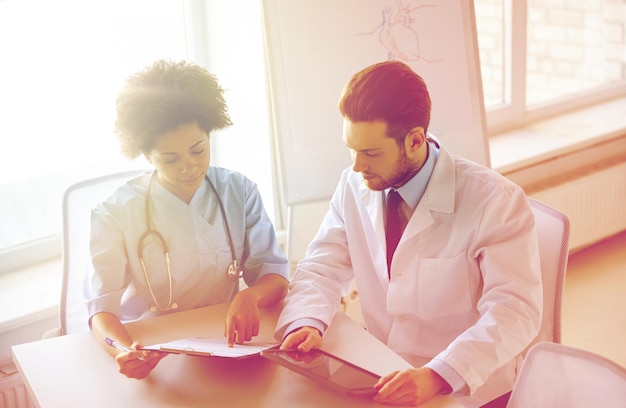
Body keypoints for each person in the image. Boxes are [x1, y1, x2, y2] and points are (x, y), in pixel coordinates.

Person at [275, 60, 542, 407]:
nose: (357, 166)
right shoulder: (354, 185)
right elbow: (321, 267)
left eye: (370, 152)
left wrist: (439, 374)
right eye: (351, 149)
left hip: (466, 388)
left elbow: (514, 311)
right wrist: (306, 321)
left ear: (415, 140)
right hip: (381, 374)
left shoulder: (495, 201)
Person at [84, 60, 289, 380]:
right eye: (170, 158)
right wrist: (123, 350)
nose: (189, 167)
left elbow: (274, 276)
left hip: (225, 344)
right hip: (153, 349)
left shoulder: (240, 192)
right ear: (147, 155)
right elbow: (101, 312)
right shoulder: (115, 213)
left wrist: (251, 295)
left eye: (199, 150)